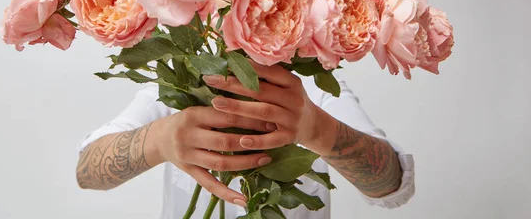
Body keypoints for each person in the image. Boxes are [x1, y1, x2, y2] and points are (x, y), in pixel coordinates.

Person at [76, 60, 415, 218]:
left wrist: (317, 128)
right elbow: (87, 171)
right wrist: (158, 140)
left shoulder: (311, 93)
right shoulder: (177, 87)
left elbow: (392, 185)